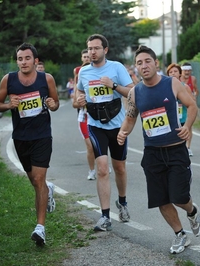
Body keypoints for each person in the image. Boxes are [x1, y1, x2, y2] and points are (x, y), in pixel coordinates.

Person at [117, 45, 200, 254]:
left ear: (155, 63)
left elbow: (192, 106)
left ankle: (192, 212)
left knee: (179, 197)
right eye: (139, 63)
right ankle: (179, 235)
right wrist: (122, 132)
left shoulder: (172, 83)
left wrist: (187, 127)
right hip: (153, 153)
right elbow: (130, 118)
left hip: (175, 150)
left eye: (147, 61)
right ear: (136, 68)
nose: (143, 66)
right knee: (161, 200)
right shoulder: (135, 93)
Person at [0, 43, 59, 246]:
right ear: (17, 61)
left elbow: (55, 103)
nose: (23, 62)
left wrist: (52, 104)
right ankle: (48, 189)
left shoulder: (46, 79)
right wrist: (8, 105)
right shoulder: (9, 79)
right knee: (34, 181)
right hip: (21, 138)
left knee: (38, 179)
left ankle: (40, 228)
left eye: (27, 58)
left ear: (35, 61)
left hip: (42, 137)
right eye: (20, 59)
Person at [75, 34, 134, 230]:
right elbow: (78, 97)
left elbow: (133, 92)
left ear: (105, 50)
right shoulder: (83, 72)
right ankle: (105, 216)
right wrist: (80, 101)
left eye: (96, 48)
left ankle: (123, 203)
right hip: (95, 125)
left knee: (120, 168)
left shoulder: (117, 68)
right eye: (89, 48)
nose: (92, 52)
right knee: (101, 168)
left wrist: (114, 85)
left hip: (117, 125)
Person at [72, 49, 96, 180]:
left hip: (98, 117)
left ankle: (102, 164)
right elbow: (74, 104)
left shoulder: (98, 83)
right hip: (84, 117)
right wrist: (81, 101)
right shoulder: (79, 82)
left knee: (100, 145)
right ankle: (91, 171)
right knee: (90, 146)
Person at [180, 62, 198, 156]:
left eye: (189, 70)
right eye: (185, 70)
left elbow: (196, 89)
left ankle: (188, 147)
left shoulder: (193, 79)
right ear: (182, 71)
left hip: (188, 105)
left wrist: (194, 96)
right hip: (179, 105)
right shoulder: (178, 80)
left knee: (189, 126)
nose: (187, 72)